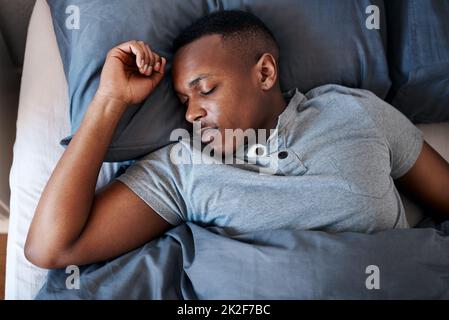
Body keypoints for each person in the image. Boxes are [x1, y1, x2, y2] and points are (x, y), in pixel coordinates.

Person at [25, 10, 449, 269]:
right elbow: (51, 248)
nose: (191, 113)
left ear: (265, 73)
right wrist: (109, 100)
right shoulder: (182, 167)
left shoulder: (357, 110)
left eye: (205, 89)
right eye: (183, 100)